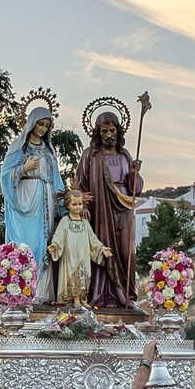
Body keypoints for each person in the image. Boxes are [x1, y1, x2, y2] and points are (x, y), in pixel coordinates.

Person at [75, 109, 143, 307]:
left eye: (112, 130)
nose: (108, 135)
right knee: (102, 250)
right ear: (97, 132)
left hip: (123, 207)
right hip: (100, 210)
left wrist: (134, 173)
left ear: (118, 132)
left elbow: (136, 189)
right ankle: (101, 295)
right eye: (104, 131)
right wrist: (85, 204)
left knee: (127, 251)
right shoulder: (90, 155)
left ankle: (126, 294)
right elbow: (80, 184)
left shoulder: (125, 155)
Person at [0, 105, 66, 302]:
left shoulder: (48, 150)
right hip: (24, 199)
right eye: (40, 124)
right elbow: (5, 176)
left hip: (46, 200)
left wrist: (66, 201)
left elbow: (56, 179)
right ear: (31, 123)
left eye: (47, 126)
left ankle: (42, 294)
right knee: (25, 245)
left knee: (44, 243)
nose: (43, 129)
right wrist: (23, 169)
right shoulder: (19, 147)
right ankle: (20, 292)